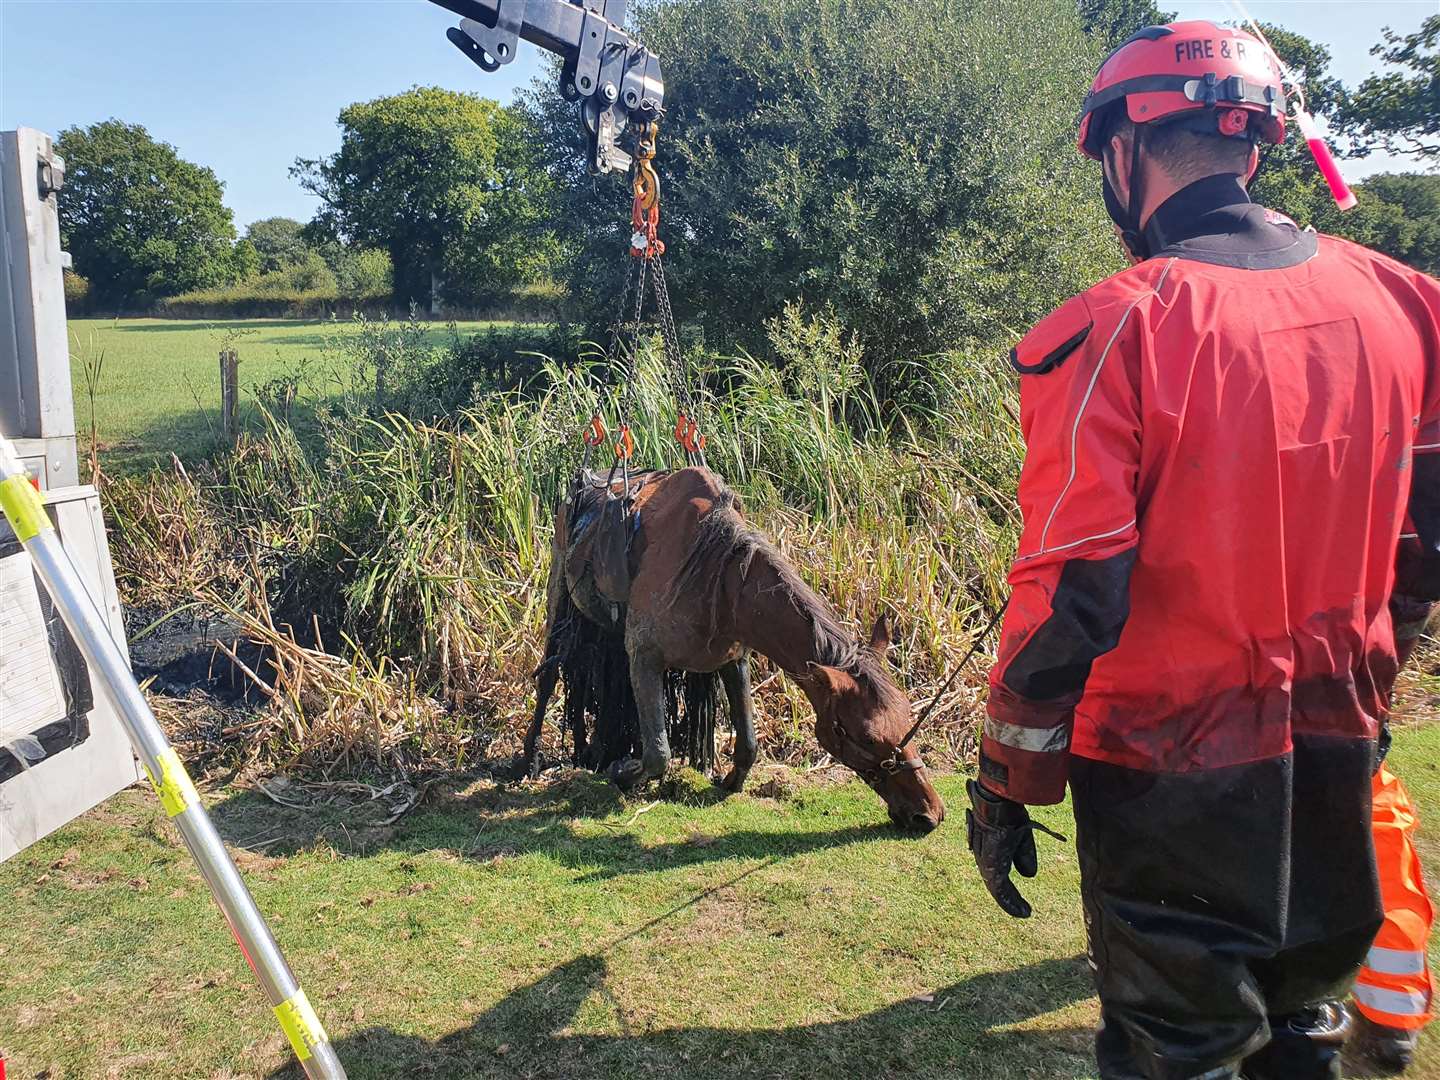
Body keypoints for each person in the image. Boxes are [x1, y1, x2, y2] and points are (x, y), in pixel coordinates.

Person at [962, 18, 1440, 1080]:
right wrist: (1368, 688)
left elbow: (1073, 586)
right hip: (1335, 753)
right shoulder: (1410, 306)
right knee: (1301, 1026)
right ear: (1256, 146)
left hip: (1163, 778)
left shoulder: (1113, 329)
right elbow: (1426, 544)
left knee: (1178, 1048)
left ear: (1124, 153)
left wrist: (1007, 776)